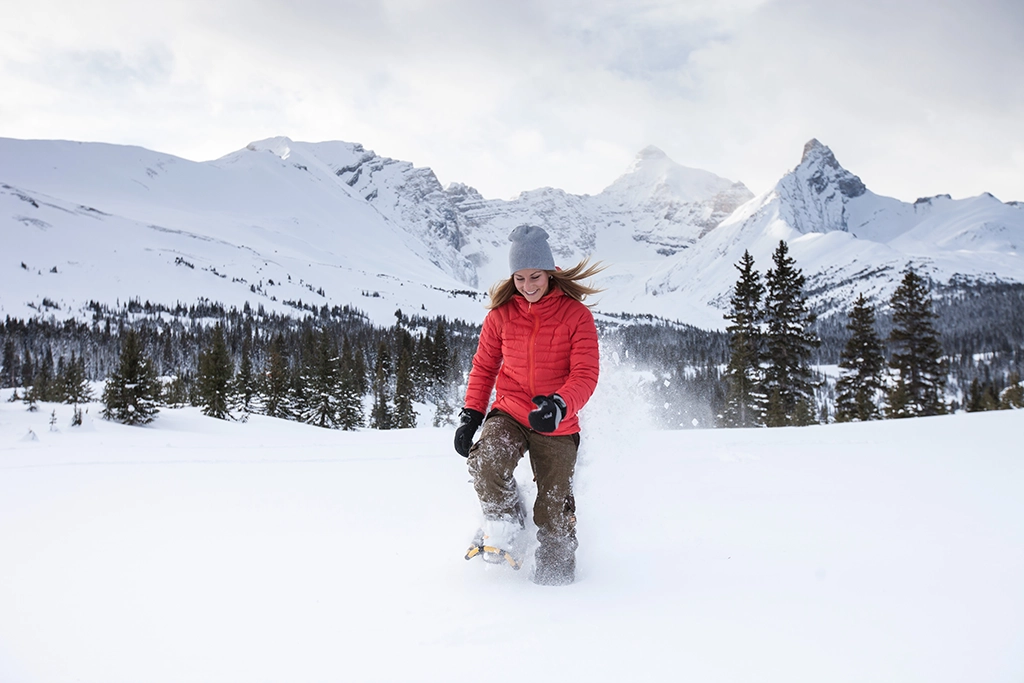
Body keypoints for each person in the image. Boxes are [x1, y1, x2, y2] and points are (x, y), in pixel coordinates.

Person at [455, 224, 603, 585]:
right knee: (486, 462)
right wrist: (472, 414)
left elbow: (586, 373)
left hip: (557, 422)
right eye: (519, 278)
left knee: (554, 510)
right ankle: (505, 522)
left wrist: (559, 405)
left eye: (534, 276)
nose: (527, 285)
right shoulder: (501, 316)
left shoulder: (576, 316)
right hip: (510, 411)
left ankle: (556, 582)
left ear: (550, 273)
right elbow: (485, 366)